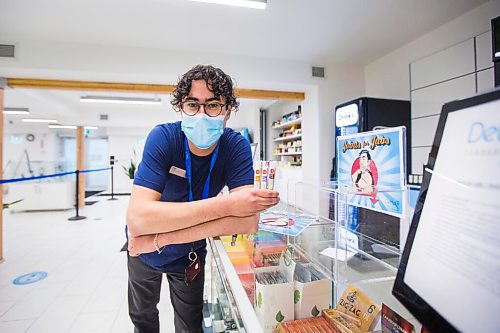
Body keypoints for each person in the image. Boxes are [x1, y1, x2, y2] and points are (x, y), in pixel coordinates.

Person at [125, 64, 280, 333]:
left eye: (213, 105)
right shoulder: (163, 138)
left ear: (227, 111)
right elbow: (138, 219)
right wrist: (226, 206)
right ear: (181, 108)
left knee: (190, 326)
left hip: (186, 254)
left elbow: (247, 222)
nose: (201, 114)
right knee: (143, 319)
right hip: (141, 250)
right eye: (192, 104)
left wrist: (164, 237)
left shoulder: (235, 146)